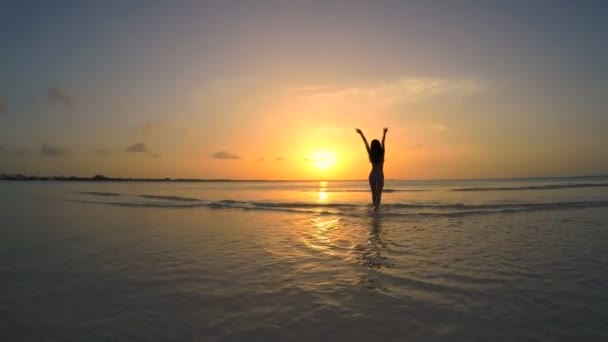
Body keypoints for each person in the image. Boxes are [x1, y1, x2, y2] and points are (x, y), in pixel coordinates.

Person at [355, 127, 388, 210]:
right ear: (379, 146)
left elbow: (365, 143)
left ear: (372, 146)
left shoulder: (371, 153)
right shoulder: (382, 153)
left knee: (373, 193)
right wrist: (384, 133)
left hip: (372, 175)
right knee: (379, 193)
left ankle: (375, 208)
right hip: (380, 175)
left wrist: (361, 133)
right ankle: (377, 208)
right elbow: (383, 142)